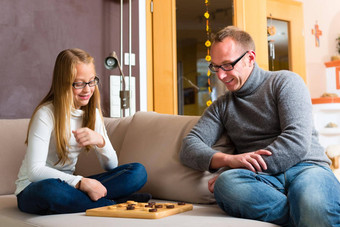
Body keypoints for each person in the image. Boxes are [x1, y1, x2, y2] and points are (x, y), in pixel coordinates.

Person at [180, 26, 340, 226]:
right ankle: (304, 215)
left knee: (312, 201)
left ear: (250, 58)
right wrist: (229, 161)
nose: (220, 75)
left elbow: (296, 141)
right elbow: (189, 146)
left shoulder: (285, 82)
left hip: (306, 168)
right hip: (264, 183)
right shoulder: (222, 106)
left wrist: (250, 167)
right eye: (215, 67)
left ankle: (309, 211)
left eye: (228, 65)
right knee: (226, 184)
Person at [15, 48, 150, 214]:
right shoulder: (46, 114)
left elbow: (112, 165)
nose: (87, 90)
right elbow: (35, 172)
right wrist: (80, 182)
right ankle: (114, 203)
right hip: (34, 188)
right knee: (49, 190)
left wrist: (100, 141)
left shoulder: (91, 113)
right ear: (63, 83)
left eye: (92, 81)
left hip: (70, 187)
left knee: (137, 172)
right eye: (79, 84)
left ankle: (89, 202)